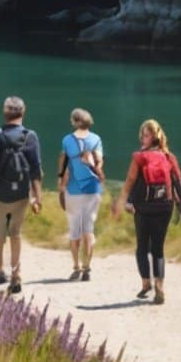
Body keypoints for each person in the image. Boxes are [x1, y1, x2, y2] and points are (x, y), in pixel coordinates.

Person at [112, 119, 181, 305]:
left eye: (144, 135)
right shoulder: (169, 157)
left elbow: (129, 182)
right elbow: (179, 183)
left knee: (142, 247)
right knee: (158, 250)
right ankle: (159, 286)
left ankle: (146, 283)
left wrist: (121, 203)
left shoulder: (139, 157)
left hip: (143, 207)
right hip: (165, 206)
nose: (142, 138)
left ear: (151, 137)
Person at [0, 96, 43, 294]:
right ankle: (16, 274)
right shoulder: (30, 136)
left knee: (0, 229)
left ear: (5, 113)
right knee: (15, 233)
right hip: (22, 194)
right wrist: (37, 197)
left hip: (0, 193)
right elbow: (36, 170)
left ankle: (0, 271)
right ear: (23, 113)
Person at [58, 109, 106, 282]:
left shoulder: (67, 140)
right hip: (93, 189)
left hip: (73, 190)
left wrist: (61, 186)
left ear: (75, 122)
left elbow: (64, 167)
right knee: (89, 230)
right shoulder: (96, 139)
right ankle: (87, 268)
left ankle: (76, 267)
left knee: (74, 230)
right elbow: (99, 161)